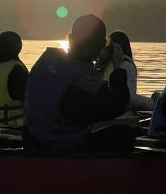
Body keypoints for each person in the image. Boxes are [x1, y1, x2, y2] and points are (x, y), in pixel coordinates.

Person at [23, 14, 132, 152]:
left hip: (32, 143)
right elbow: (118, 105)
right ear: (100, 45)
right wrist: (118, 67)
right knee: (123, 133)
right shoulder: (84, 78)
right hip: (60, 149)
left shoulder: (46, 61)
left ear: (71, 39)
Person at [95, 30, 155, 112]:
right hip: (118, 114)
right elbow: (130, 99)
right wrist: (153, 103)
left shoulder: (101, 64)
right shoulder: (126, 65)